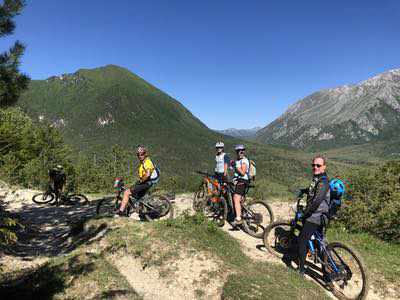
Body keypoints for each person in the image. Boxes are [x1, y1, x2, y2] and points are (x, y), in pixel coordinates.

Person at [296, 156, 330, 276]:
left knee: (302, 240)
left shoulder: (323, 181)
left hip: (315, 216)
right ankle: (327, 271)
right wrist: (304, 190)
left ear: (324, 167)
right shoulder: (318, 179)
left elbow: (317, 201)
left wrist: (305, 214)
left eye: (318, 165)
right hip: (321, 216)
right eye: (313, 165)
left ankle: (301, 270)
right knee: (318, 242)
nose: (315, 167)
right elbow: (314, 191)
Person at [115, 145, 159, 217]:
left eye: (142, 154)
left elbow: (147, 174)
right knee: (136, 195)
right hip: (147, 182)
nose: (140, 156)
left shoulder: (147, 162)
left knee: (126, 193)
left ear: (145, 154)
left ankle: (121, 212)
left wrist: (141, 180)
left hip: (146, 182)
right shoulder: (144, 161)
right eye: (138, 155)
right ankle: (141, 211)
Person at [231, 144, 250, 226]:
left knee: (236, 198)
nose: (240, 152)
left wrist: (235, 165)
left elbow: (242, 172)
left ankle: (238, 218)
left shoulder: (244, 160)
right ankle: (245, 214)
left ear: (244, 152)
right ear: (236, 152)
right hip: (238, 180)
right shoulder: (238, 160)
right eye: (238, 151)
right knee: (240, 199)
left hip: (242, 181)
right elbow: (234, 170)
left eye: (242, 151)